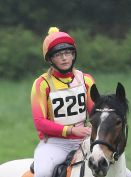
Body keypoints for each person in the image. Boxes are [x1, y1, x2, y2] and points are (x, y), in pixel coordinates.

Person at [31, 27, 94, 177]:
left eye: (67, 53)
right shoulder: (42, 84)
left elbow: (94, 113)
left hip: (85, 141)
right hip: (55, 144)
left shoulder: (86, 80)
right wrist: (71, 130)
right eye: (58, 55)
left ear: (73, 55)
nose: (64, 58)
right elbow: (40, 122)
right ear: (50, 59)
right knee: (43, 173)